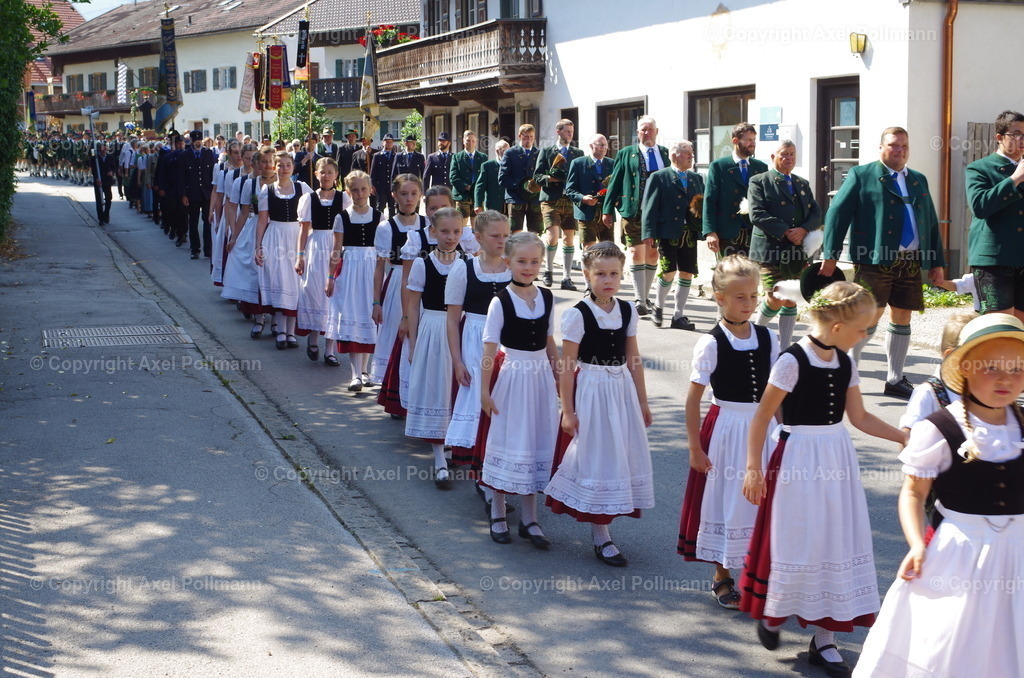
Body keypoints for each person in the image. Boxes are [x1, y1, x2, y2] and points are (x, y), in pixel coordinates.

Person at [739, 281, 905, 677]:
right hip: (797, 457)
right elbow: (762, 416)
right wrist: (752, 468)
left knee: (835, 536)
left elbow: (859, 417)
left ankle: (825, 639)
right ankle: (774, 610)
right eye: (862, 328)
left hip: (836, 458)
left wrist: (903, 436)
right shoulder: (791, 361)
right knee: (796, 535)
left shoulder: (846, 362)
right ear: (836, 326)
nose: (865, 335)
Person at [853, 312, 1024, 677]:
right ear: (965, 369)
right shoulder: (941, 427)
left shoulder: (1021, 424)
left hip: (1018, 552)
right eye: (993, 367)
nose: (1007, 378)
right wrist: (917, 545)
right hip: (961, 552)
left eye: (1017, 368)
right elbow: (913, 493)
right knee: (949, 642)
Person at [678, 255, 779, 607]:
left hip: (764, 429)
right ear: (720, 298)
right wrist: (695, 447)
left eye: (753, 296)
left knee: (764, 501)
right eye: (740, 297)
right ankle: (722, 573)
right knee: (727, 500)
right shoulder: (711, 342)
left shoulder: (768, 337)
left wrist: (786, 433)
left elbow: (776, 395)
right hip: (727, 430)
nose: (749, 303)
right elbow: (693, 399)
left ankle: (760, 571)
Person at [546, 241, 654, 566]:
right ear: (586, 274)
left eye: (614, 274)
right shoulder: (577, 315)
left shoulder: (627, 310)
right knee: (598, 457)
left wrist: (643, 402)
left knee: (620, 455)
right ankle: (601, 534)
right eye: (601, 274)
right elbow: (567, 366)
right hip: (592, 388)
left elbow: (633, 358)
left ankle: (604, 526)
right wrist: (568, 409)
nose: (608, 280)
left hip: (620, 389)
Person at [822, 127, 946, 399]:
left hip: (910, 260)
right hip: (874, 258)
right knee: (868, 315)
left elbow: (930, 221)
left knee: (902, 315)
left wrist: (936, 260)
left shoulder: (918, 180)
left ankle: (895, 378)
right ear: (881, 148)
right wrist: (830, 254)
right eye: (893, 145)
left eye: (904, 146)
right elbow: (837, 214)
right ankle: (847, 374)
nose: (899, 151)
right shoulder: (862, 175)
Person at [479, 232, 560, 547]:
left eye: (535, 261)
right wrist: (484, 392)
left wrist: (559, 379)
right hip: (512, 376)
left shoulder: (547, 297)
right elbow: (488, 352)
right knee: (509, 440)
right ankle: (498, 511)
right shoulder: (500, 301)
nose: (529, 267)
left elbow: (550, 343)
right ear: (508, 262)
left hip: (540, 377)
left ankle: (530, 518)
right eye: (522, 261)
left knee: (535, 442)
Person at [445, 210, 512, 477]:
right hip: (474, 339)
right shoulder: (464, 268)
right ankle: (481, 474)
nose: (502, 240)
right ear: (478, 237)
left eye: (506, 235)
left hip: (507, 343)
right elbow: (452, 321)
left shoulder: (514, 268)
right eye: (495, 235)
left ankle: (500, 467)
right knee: (477, 401)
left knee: (504, 401)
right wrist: (457, 361)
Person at [404, 207, 467, 488]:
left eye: (456, 231)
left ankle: (453, 446)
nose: (451, 236)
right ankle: (439, 456)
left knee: (456, 389)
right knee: (436, 389)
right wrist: (413, 342)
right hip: (432, 328)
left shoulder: (468, 263)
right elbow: (413, 305)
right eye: (445, 231)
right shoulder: (422, 264)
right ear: (433, 232)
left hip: (460, 330)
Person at [748, 139, 821, 347]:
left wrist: (804, 230)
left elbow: (816, 212)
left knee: (791, 298)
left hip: (796, 251)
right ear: (773, 157)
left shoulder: (802, 184)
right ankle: (755, 336)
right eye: (784, 154)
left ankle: (784, 348)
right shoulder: (759, 181)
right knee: (775, 298)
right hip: (771, 250)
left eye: (792, 154)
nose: (788, 158)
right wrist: (786, 232)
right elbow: (757, 214)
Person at [601, 116, 670, 316]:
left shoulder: (665, 154)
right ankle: (640, 299)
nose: (646, 133)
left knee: (653, 254)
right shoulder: (626, 153)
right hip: (633, 210)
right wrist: (607, 209)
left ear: (657, 131)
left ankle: (646, 296)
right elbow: (615, 182)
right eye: (642, 130)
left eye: (650, 129)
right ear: (637, 132)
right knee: (635, 252)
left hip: (659, 213)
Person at [369, 174, 427, 389]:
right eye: (404, 194)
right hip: (396, 286)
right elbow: (379, 268)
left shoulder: (427, 224)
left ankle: (417, 384)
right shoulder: (386, 227)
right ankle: (395, 386)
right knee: (399, 333)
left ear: (420, 195)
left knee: (419, 334)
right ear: (394, 196)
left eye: (413, 193)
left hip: (422, 286)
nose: (409, 199)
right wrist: (376, 302)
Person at [966, 110, 1024, 320]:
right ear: (999, 137)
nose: (1022, 140)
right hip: (994, 261)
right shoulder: (979, 168)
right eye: (1016, 134)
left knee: (1020, 331)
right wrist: (1014, 179)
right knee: (1000, 325)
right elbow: (979, 206)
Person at [641, 140, 704, 330]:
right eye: (688, 153)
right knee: (668, 271)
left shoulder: (696, 178)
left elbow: (703, 205)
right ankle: (658, 308)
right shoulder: (660, 177)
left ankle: (678, 315)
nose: (691, 156)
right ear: (675, 156)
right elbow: (649, 207)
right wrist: (648, 232)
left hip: (690, 233)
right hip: (668, 231)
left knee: (687, 272)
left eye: (692, 152)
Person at [325, 170, 380, 385]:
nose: (359, 194)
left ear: (370, 190)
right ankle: (355, 373)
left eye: (363, 189)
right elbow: (336, 250)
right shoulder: (342, 217)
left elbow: (383, 249)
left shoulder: (379, 216)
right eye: (355, 190)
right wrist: (330, 276)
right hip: (350, 270)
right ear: (348, 191)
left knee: (368, 317)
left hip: (371, 269)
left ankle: (365, 370)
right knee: (352, 315)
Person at [254, 151, 313, 350]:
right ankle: (280, 330)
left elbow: (312, 215)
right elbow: (262, 220)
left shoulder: (302, 188)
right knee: (278, 281)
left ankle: (291, 332)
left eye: (288, 165)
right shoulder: (267, 190)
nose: (284, 169)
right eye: (280, 165)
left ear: (293, 168)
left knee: (295, 284)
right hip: (275, 237)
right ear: (274, 167)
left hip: (295, 237)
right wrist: (258, 246)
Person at [297, 158, 352, 366]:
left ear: (336, 175)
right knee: (313, 292)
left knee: (334, 296)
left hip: (336, 246)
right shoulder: (309, 199)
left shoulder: (343, 199)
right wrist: (299, 255)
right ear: (317, 174)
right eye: (322, 172)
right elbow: (303, 230)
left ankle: (330, 349)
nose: (326, 175)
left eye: (330, 172)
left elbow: (350, 225)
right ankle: (313, 336)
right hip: (316, 246)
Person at [223, 146, 276, 338]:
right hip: (255, 227)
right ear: (257, 163)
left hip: (276, 229)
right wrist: (234, 236)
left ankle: (277, 319)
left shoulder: (284, 183)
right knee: (255, 271)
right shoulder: (250, 184)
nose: (267, 165)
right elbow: (244, 212)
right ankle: (259, 317)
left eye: (271, 161)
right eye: (263, 161)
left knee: (274, 273)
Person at [898, 309, 977, 435]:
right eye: (980, 358)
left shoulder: (981, 388)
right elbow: (908, 436)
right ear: (951, 356)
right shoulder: (929, 393)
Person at [702, 122, 768, 260]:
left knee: (751, 274)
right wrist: (710, 232)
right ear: (735, 141)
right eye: (748, 140)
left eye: (754, 139)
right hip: (727, 231)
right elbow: (710, 201)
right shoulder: (719, 166)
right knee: (729, 275)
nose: (752, 143)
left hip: (753, 232)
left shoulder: (761, 167)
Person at [535, 119, 584, 289]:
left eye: (572, 131)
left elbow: (581, 175)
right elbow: (537, 175)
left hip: (570, 201)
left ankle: (566, 277)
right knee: (552, 235)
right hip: (550, 199)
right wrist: (550, 178)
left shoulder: (578, 153)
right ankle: (548, 270)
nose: (570, 134)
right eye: (567, 131)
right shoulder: (548, 151)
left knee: (569, 239)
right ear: (558, 132)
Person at [565, 134, 614, 252]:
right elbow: (570, 189)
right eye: (601, 145)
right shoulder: (578, 163)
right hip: (586, 212)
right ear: (591, 146)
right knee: (589, 249)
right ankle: (588, 271)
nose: (604, 148)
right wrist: (583, 198)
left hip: (606, 213)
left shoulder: (612, 163)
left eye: (605, 145)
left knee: (608, 249)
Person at [177, 129, 217, 260]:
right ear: (192, 141)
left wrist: (214, 193)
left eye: (200, 141)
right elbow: (181, 177)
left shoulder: (208, 153)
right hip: (192, 194)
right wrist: (183, 195)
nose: (198, 143)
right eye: (196, 141)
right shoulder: (184, 155)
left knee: (208, 221)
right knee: (193, 222)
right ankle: (195, 249)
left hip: (206, 193)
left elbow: (213, 173)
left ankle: (208, 249)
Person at [211, 141, 245, 287]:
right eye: (235, 152)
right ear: (229, 153)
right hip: (230, 209)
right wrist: (217, 218)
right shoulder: (223, 171)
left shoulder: (249, 171)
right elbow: (219, 196)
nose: (238, 156)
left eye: (240, 152)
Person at [498, 124, 542, 234]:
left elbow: (543, 174)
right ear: (519, 136)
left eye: (531, 137)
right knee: (515, 232)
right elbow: (502, 178)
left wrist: (538, 184)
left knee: (535, 232)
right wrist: (521, 185)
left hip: (534, 198)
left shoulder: (539, 153)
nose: (529, 139)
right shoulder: (510, 153)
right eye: (526, 136)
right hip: (515, 197)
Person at [450, 130, 486, 225]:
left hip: (477, 196)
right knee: (461, 226)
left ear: (476, 142)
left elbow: (485, 177)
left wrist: (478, 188)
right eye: (468, 140)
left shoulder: (483, 157)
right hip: (462, 195)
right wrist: (466, 186)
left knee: (477, 226)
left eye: (473, 141)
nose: (470, 143)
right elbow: (453, 176)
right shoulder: (457, 157)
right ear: (463, 141)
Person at [474, 139, 509, 214]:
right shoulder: (487, 166)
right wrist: (478, 204)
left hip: (508, 205)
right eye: (504, 151)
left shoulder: (512, 165)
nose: (507, 154)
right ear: (497, 151)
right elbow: (480, 186)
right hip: (493, 205)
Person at [369, 133, 399, 216]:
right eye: (387, 142)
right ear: (383, 143)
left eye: (390, 142)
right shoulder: (377, 156)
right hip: (380, 186)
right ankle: (380, 224)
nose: (388, 143)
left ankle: (392, 225)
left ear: (393, 143)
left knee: (392, 207)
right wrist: (372, 185)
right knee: (380, 206)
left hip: (392, 186)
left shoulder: (396, 156)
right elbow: (373, 172)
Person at [91, 141, 118, 224]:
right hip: (98, 181)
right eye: (102, 148)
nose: (104, 149)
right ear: (99, 149)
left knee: (109, 198)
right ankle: (100, 218)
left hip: (107, 181)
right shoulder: (95, 158)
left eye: (105, 148)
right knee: (99, 200)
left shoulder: (110, 157)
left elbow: (114, 167)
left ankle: (106, 214)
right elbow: (93, 169)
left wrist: (111, 172)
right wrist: (96, 178)